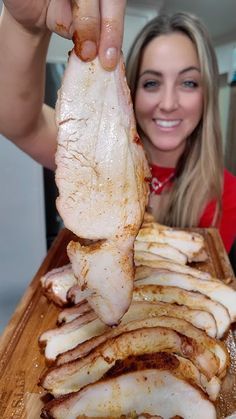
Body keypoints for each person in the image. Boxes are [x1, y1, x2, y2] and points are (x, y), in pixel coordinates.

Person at [126, 12, 236, 253]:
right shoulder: (100, 164)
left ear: (206, 94)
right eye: (151, 83)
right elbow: (28, 126)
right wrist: (28, 31)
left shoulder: (227, 195)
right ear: (132, 93)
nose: (167, 104)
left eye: (188, 83)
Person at [0, 0, 126, 170]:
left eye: (177, 83)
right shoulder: (100, 160)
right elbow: (22, 127)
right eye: (152, 83)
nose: (168, 104)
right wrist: (25, 28)